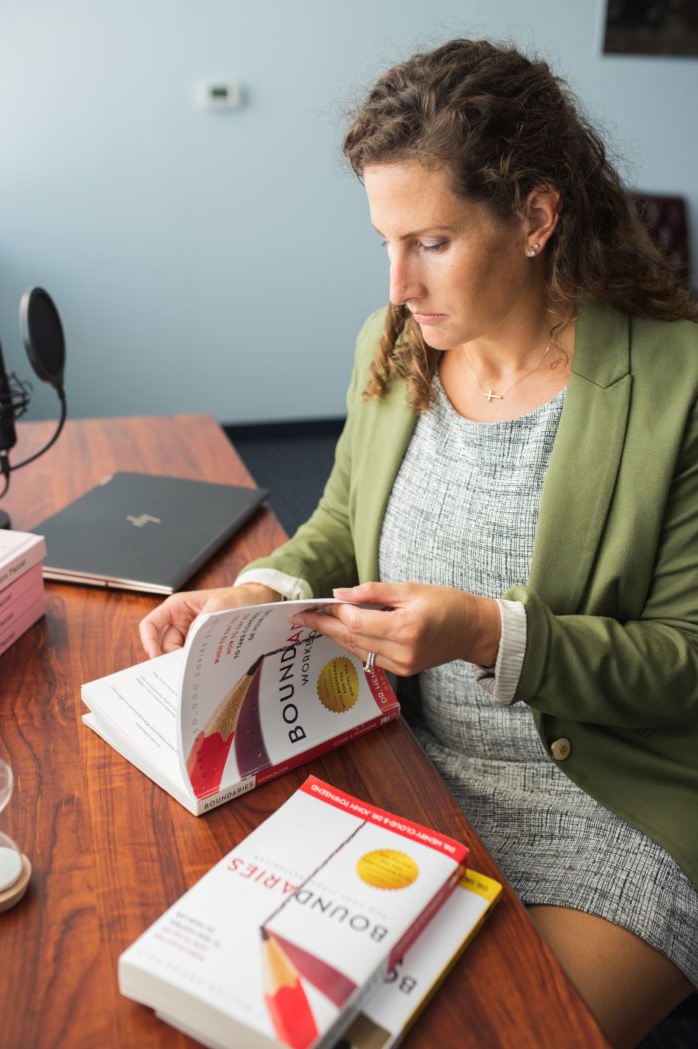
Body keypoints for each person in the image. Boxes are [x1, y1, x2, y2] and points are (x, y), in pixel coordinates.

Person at [140, 39, 698, 1048]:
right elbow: (346, 523)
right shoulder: (395, 343)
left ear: (534, 216)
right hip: (410, 760)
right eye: (383, 242)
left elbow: (687, 664)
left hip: (608, 802)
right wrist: (257, 586)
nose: (397, 283)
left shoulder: (678, 384)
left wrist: (490, 633)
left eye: (430, 241)